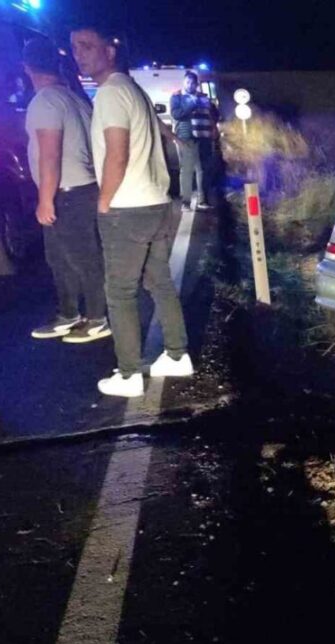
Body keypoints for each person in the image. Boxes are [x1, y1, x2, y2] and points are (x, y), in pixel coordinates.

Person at [70, 23, 193, 398]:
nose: (79, 53)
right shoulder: (132, 88)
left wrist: (104, 201)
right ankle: (176, 355)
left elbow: (117, 153)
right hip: (155, 201)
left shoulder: (109, 94)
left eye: (87, 46)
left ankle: (128, 376)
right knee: (159, 282)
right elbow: (163, 133)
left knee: (120, 292)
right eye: (74, 47)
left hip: (128, 207)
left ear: (110, 51)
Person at [22, 36, 110, 344]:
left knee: (84, 258)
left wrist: (45, 199)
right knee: (59, 258)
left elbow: (50, 153)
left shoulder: (45, 101)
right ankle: (68, 313)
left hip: (67, 194)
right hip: (79, 191)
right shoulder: (74, 97)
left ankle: (98, 319)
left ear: (27, 67)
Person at [169, 71, 218, 210]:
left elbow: (211, 114)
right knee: (187, 170)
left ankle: (203, 200)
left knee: (202, 169)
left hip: (204, 136)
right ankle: (185, 202)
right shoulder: (177, 97)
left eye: (193, 83)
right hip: (187, 137)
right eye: (187, 82)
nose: (190, 85)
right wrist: (193, 103)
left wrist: (214, 128)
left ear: (197, 84)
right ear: (184, 83)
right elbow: (177, 114)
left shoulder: (203, 97)